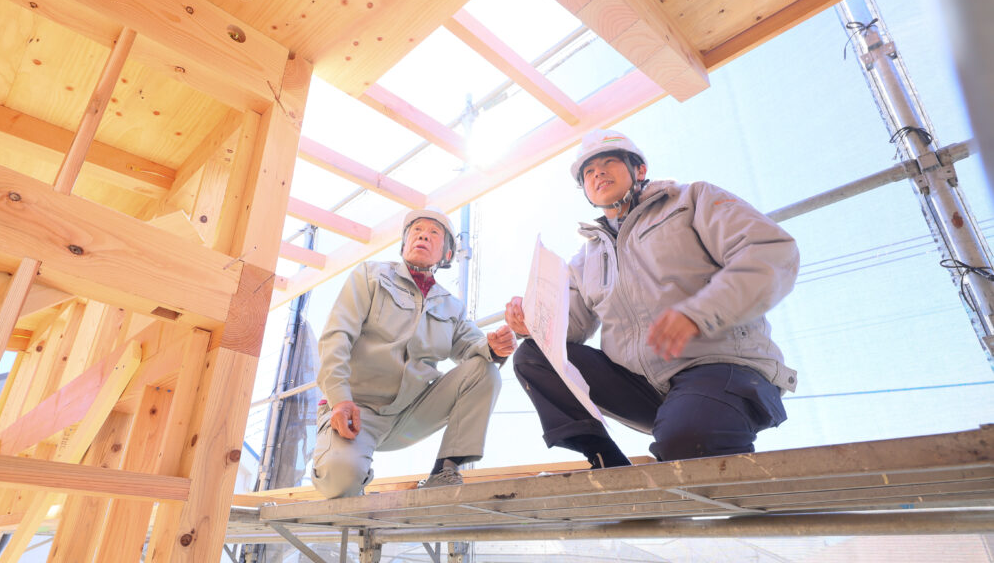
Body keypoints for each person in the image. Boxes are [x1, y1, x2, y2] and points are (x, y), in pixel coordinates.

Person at [504, 130, 798, 468]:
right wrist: (531, 324)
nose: (597, 172)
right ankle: (604, 459)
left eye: (609, 162)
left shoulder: (692, 201)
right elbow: (567, 330)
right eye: (588, 171)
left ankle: (700, 434)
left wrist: (698, 314)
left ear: (639, 170)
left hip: (724, 368)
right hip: (643, 388)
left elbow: (771, 252)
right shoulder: (585, 259)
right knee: (533, 355)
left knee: (687, 438)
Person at [312, 206, 517, 497]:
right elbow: (336, 337)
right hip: (355, 410)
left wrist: (494, 347)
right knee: (340, 478)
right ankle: (351, 465)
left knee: (485, 369)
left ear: (446, 255)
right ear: (404, 244)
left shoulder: (451, 306)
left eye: (434, 233)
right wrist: (339, 400)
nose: (423, 235)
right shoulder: (370, 276)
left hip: (411, 413)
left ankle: (444, 470)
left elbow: (473, 348)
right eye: (416, 231)